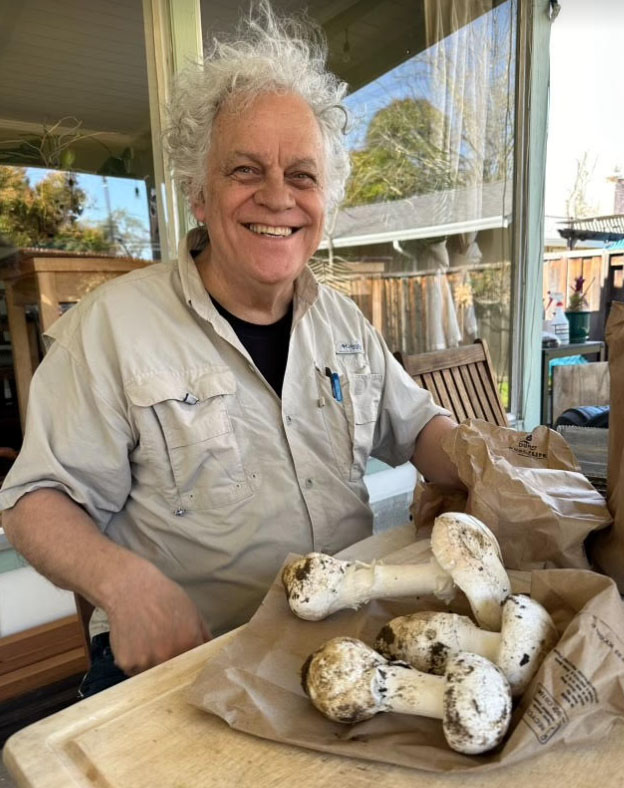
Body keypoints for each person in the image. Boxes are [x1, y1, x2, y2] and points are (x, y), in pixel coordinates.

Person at [0, 2, 463, 696]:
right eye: (246, 170)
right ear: (198, 193)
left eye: (302, 176)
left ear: (324, 202)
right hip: (184, 661)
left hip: (341, 648)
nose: (278, 197)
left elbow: (423, 428)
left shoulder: (344, 324)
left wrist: (493, 469)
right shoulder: (111, 328)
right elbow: (34, 499)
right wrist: (124, 586)